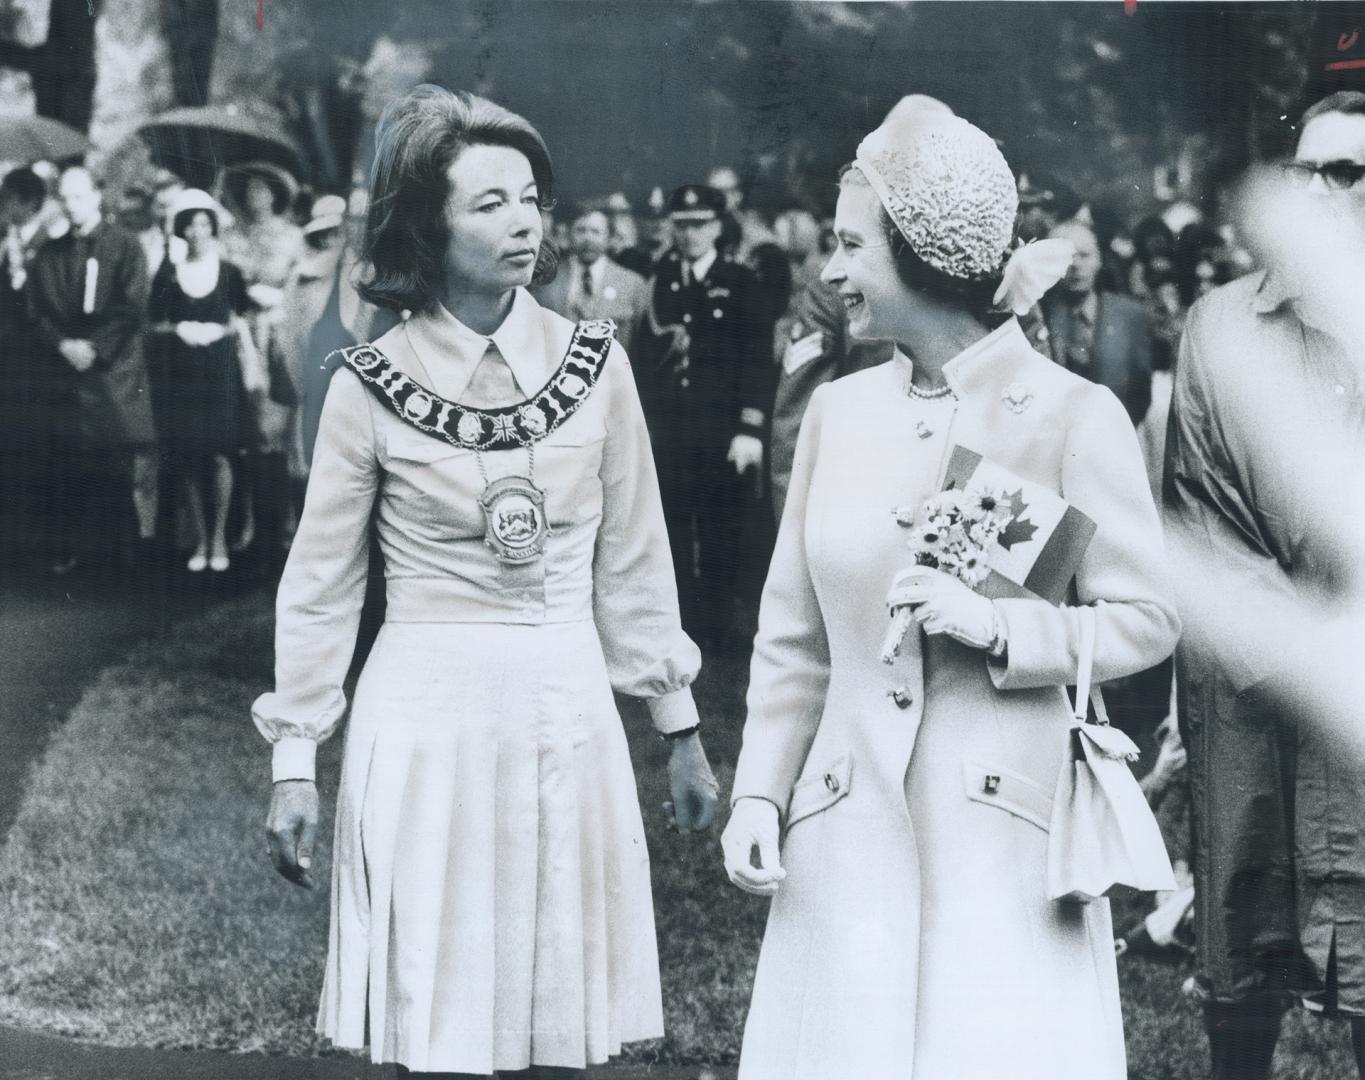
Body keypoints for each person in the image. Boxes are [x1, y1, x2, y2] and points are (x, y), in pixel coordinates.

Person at [253, 85, 719, 1080]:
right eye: (488, 204)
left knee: (554, 1000)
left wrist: (678, 730)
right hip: (424, 718)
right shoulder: (364, 384)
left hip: (565, 708)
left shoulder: (596, 364)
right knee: (438, 1004)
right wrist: (296, 755)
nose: (522, 223)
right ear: (426, 225)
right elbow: (323, 583)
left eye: (530, 199)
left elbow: (634, 555)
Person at [720, 106, 1179, 1080]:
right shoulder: (839, 414)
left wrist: (1005, 625)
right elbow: (792, 638)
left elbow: (1150, 621)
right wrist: (760, 791)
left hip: (1001, 853)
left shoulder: (1068, 415)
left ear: (923, 257)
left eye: (849, 245)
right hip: (843, 839)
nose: (829, 271)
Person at [1165, 89, 1365, 1080]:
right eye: (1310, 171)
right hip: (1252, 691)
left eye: (1350, 172)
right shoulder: (1220, 328)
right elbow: (1200, 505)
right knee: (1245, 934)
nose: (1325, 192)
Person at [631, 183, 769, 648]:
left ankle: (717, 624)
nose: (688, 235)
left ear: (717, 226)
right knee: (670, 525)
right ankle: (682, 622)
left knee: (719, 527)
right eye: (681, 225)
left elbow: (756, 358)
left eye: (698, 225)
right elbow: (647, 358)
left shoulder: (741, 281)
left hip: (721, 430)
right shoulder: (661, 282)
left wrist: (750, 426)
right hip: (671, 430)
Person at [26, 164, 158, 576]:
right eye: (65, 198)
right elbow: (37, 312)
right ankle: (76, 551)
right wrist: (64, 344)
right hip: (65, 371)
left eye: (79, 196)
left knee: (116, 460)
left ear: (97, 196)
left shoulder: (124, 246)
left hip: (111, 372)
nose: (72, 205)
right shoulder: (50, 252)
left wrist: (94, 348)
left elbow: (132, 306)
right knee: (68, 462)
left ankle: (123, 552)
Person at [147, 189, 250, 573]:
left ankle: (221, 535)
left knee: (221, 452)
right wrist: (179, 327)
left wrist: (222, 332)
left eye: (204, 224)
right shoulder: (169, 272)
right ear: (181, 230)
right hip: (183, 370)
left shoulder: (229, 272)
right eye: (190, 224)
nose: (197, 232)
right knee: (190, 452)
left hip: (220, 370)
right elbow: (152, 321)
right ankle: (201, 538)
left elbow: (243, 318)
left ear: (213, 228)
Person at [222, 161, 306, 557]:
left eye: (263, 190)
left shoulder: (293, 237)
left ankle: (290, 521)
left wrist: (277, 300)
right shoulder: (232, 236)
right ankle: (251, 521)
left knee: (281, 427)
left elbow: (299, 284)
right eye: (249, 190)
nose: (256, 197)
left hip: (278, 333)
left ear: (275, 194)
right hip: (242, 333)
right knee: (247, 430)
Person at [1042, 218, 1155, 425]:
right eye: (1066, 258)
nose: (1075, 266)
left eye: (1085, 255)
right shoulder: (1039, 315)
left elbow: (1140, 393)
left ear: (1099, 260)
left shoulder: (1130, 314)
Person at [532, 204, 649, 353]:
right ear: (569, 234)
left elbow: (640, 346)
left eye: (596, 232)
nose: (588, 239)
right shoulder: (548, 281)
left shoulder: (632, 284)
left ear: (609, 238)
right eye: (581, 230)